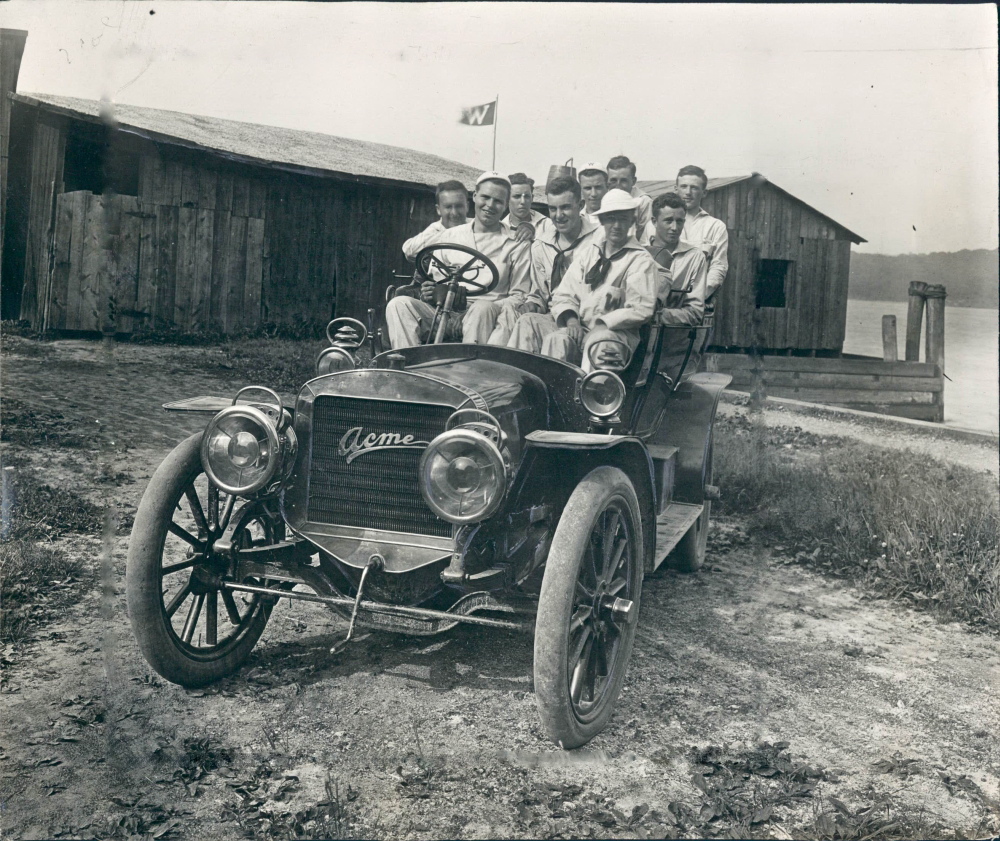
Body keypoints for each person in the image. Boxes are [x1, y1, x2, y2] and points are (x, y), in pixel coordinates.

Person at [385, 172, 531, 348]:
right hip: (445, 311)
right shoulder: (449, 236)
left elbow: (519, 296)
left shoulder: (517, 243)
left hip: (488, 315)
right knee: (398, 305)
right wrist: (431, 292)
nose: (490, 205)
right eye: (485, 197)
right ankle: (407, 361)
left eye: (498, 201)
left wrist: (486, 306)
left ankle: (471, 365)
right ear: (475, 197)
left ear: (506, 205)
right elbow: (435, 279)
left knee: (481, 308)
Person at [542, 189, 658, 371]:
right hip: (583, 328)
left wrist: (601, 326)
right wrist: (572, 321)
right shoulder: (590, 254)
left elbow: (640, 308)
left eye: (623, 219)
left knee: (599, 342)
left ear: (632, 221)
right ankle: (551, 388)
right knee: (556, 339)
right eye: (611, 219)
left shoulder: (640, 260)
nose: (617, 225)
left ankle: (594, 388)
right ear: (602, 220)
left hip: (616, 335)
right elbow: (564, 293)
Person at [505, 175, 602, 353]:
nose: (558, 216)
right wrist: (532, 304)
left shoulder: (599, 240)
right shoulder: (541, 245)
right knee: (526, 321)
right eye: (553, 209)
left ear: (580, 205)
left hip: (591, 322)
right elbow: (540, 293)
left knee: (558, 340)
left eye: (565, 207)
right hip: (558, 318)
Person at [645, 192, 707, 326]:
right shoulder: (639, 253)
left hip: (672, 335)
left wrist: (656, 315)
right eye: (668, 221)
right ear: (654, 221)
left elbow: (695, 312)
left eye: (679, 221)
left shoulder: (695, 257)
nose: (674, 228)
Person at [672, 165, 728, 302]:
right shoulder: (657, 223)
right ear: (675, 189)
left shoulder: (715, 226)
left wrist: (697, 296)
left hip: (698, 301)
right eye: (684, 186)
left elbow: (718, 267)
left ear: (704, 193)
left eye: (694, 188)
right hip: (661, 300)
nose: (688, 192)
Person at [401, 180, 470, 263]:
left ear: (467, 206)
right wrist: (449, 235)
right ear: (438, 210)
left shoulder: (476, 225)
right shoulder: (435, 230)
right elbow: (409, 251)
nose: (454, 213)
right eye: (448, 207)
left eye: (459, 206)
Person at [606, 155, 652, 239]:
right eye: (613, 180)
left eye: (623, 181)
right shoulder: (604, 199)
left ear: (633, 181)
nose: (618, 185)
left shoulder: (643, 201)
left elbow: (645, 235)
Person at [507, 173, 554, 239]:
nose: (523, 202)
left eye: (527, 196)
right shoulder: (499, 228)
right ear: (506, 199)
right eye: (517, 196)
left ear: (532, 198)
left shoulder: (548, 225)